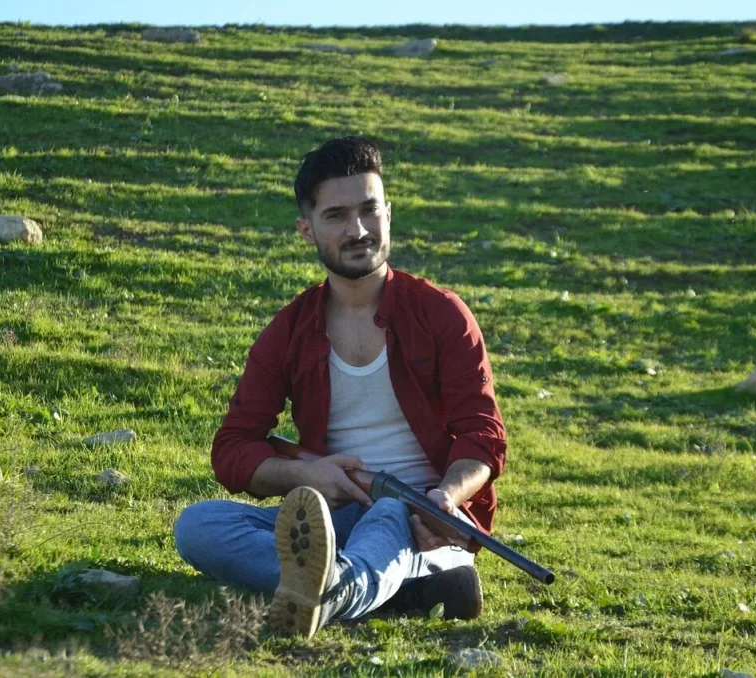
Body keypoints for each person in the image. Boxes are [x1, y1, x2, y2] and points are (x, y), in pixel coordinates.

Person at [174, 136, 507, 638]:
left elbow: (482, 436)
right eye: (336, 216)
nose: (358, 230)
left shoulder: (442, 314)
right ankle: (396, 591)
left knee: (390, 511)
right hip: (330, 520)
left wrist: (445, 496)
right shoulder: (289, 329)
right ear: (306, 229)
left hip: (425, 525)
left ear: (388, 214)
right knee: (199, 526)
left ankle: (334, 592)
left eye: (370, 210)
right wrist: (307, 475)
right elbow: (233, 448)